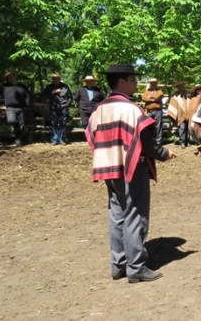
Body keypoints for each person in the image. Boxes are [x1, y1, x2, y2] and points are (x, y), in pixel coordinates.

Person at [85, 64, 177, 283]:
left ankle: (118, 265)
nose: (137, 84)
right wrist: (164, 153)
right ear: (122, 82)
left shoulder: (100, 109)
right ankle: (136, 267)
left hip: (108, 167)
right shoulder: (130, 109)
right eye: (133, 80)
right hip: (132, 168)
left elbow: (91, 135)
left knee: (116, 214)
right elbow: (145, 143)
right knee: (135, 214)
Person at [42, 73, 72, 145]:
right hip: (53, 107)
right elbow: (43, 96)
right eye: (54, 78)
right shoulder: (48, 87)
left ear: (60, 79)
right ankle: (54, 139)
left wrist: (67, 104)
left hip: (63, 107)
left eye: (57, 78)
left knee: (63, 123)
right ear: (52, 79)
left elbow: (70, 97)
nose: (56, 80)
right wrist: (53, 92)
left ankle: (62, 139)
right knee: (53, 123)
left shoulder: (65, 87)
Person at [2, 71, 30, 147]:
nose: (10, 79)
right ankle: (18, 130)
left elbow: (27, 96)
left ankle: (18, 140)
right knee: (11, 120)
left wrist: (26, 106)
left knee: (21, 126)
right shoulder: (5, 86)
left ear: (15, 77)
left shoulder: (22, 86)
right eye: (8, 78)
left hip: (21, 108)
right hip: (10, 108)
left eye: (11, 77)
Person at [141, 78, 164, 146]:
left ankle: (158, 142)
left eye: (154, 83)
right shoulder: (147, 91)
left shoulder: (159, 91)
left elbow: (159, 97)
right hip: (149, 111)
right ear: (150, 84)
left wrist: (149, 98)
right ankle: (148, 140)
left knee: (158, 126)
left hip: (158, 110)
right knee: (146, 124)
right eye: (152, 83)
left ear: (156, 83)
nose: (153, 84)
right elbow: (143, 98)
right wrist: (153, 99)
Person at [168, 81, 190, 149]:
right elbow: (172, 105)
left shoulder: (187, 94)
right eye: (180, 86)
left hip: (188, 113)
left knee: (188, 128)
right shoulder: (175, 95)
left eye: (182, 86)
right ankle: (182, 142)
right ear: (177, 87)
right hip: (180, 114)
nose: (181, 87)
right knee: (182, 128)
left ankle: (187, 141)